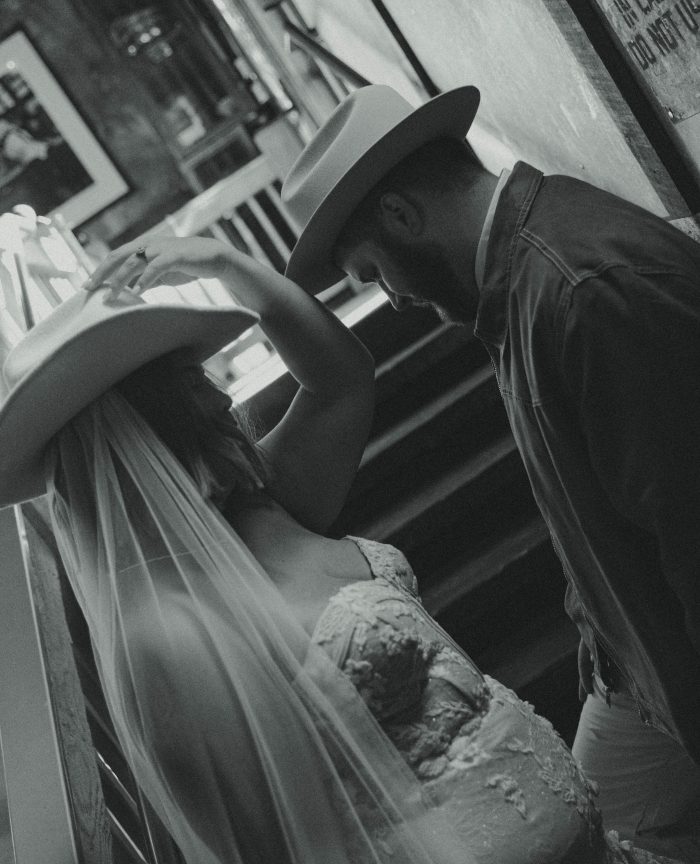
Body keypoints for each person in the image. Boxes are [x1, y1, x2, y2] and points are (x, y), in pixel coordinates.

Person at [0, 236, 682, 864]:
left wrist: (223, 263)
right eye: (193, 383)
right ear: (163, 424)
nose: (218, 397)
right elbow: (269, 840)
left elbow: (342, 375)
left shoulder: (267, 500)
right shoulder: (165, 631)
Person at [279, 83, 700, 861]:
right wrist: (598, 625)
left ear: (403, 216)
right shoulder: (517, 288)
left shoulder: (578, 291)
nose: (394, 299)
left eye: (373, 273)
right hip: (633, 667)